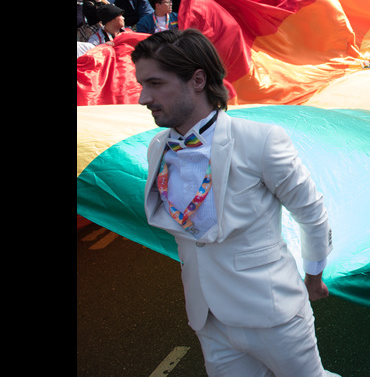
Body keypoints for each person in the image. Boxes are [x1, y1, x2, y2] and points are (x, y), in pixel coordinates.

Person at [132, 29, 341, 377]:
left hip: (272, 312)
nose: (142, 97)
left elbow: (311, 211)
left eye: (155, 83)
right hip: (207, 319)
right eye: (142, 84)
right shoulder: (157, 148)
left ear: (197, 80)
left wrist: (314, 274)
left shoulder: (260, 141)